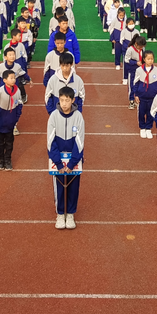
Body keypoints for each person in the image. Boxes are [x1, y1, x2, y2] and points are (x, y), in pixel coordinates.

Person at [48, 87, 85, 229]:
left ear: (73, 100)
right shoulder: (53, 116)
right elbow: (50, 141)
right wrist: (58, 162)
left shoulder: (78, 117)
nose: (64, 104)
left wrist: (71, 163)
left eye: (67, 101)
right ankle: (59, 214)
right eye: (62, 100)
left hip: (73, 161)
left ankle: (70, 213)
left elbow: (80, 141)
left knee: (73, 186)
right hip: (58, 162)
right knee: (59, 187)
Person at [0, 69, 24, 170]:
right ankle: (0, 160)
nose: (13, 80)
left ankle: (8, 160)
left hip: (10, 122)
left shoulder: (17, 91)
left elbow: (20, 104)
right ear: (4, 80)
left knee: (9, 142)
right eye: (11, 78)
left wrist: (16, 117)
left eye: (14, 78)